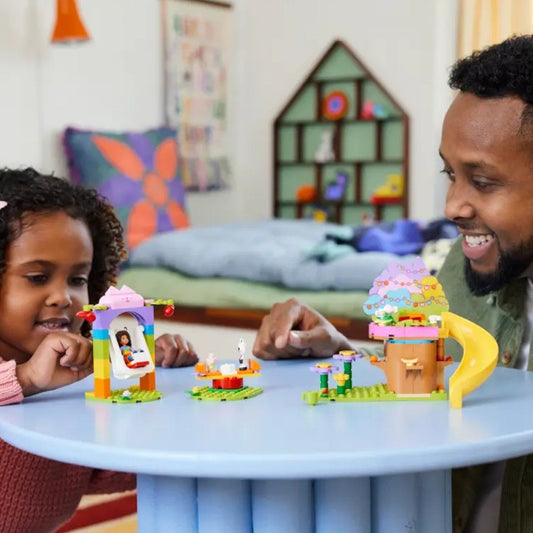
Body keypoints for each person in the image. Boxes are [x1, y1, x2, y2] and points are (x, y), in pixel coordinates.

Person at [253, 35, 533, 533]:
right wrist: (339, 350)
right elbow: (424, 380)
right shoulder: (464, 265)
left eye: (483, 181)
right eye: (450, 174)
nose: (452, 206)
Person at [0, 167, 198, 531]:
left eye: (78, 279)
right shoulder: (31, 374)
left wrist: (167, 395)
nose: (63, 297)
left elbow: (97, 466)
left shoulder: (79, 367)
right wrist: (25, 378)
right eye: (38, 277)